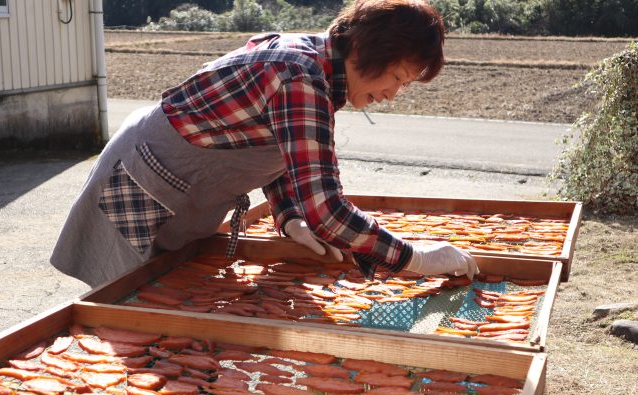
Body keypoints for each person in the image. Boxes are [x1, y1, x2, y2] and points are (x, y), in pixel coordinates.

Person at [51, 0, 478, 287]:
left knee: (161, 296)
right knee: (128, 308)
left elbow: (269, 147)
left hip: (172, 178)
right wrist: (416, 259)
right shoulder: (302, 78)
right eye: (398, 77)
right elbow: (326, 208)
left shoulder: (318, 66)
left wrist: (289, 217)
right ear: (369, 50)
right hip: (142, 179)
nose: (392, 94)